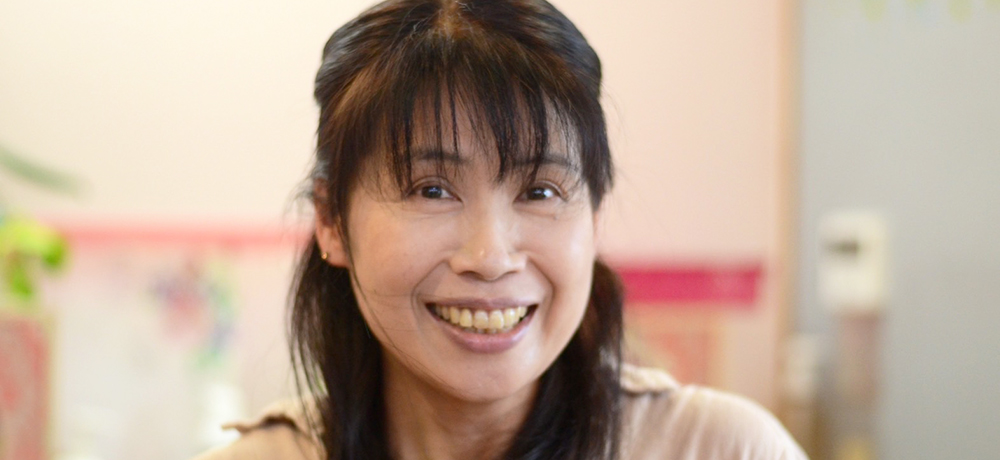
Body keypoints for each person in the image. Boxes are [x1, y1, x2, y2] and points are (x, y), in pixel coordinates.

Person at [193, 0, 808, 459]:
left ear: (595, 217)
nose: (490, 257)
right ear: (331, 222)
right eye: (431, 190)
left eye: (540, 191)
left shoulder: (727, 450)